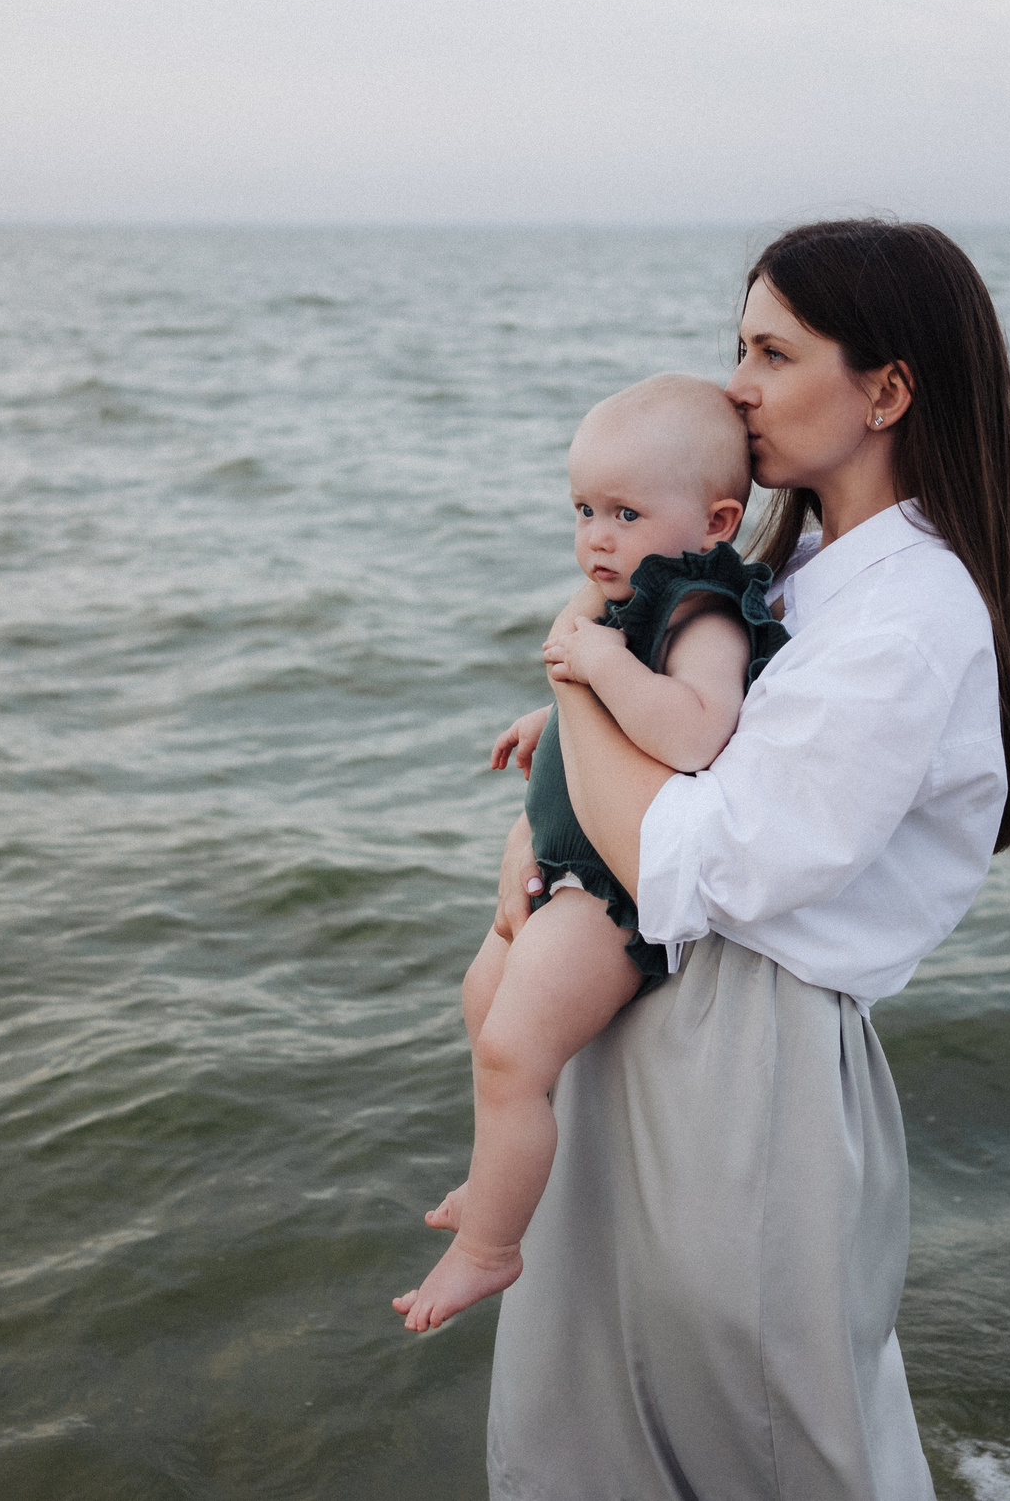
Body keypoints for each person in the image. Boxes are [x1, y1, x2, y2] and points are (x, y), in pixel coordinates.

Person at [482, 219, 1010, 1499]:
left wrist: (574, 658)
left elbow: (696, 854)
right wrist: (544, 813)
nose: (735, 382)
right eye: (735, 346)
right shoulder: (788, 570)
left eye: (773, 352)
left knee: (762, 1439)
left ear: (887, 391)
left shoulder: (906, 617)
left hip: (751, 1048)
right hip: (660, 1002)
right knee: (598, 1416)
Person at [396, 374, 788, 1333]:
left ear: (716, 518)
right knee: (482, 1002)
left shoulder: (704, 609)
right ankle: (495, 1181)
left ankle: (492, 1245)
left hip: (610, 892)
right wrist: (552, 718)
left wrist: (599, 667)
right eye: (583, 511)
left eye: (623, 511)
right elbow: (613, 711)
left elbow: (695, 730)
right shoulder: (631, 595)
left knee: (512, 1046)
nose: (597, 536)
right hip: (564, 868)